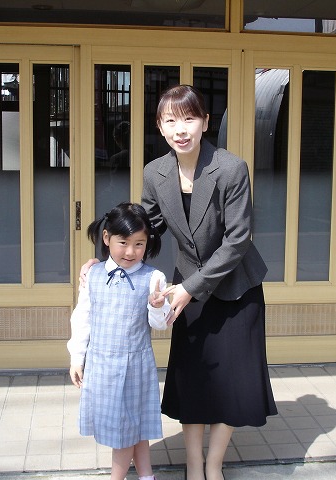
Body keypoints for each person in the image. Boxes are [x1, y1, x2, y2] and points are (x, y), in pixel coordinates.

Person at [82, 85, 277, 480]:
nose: (181, 129)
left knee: (231, 381)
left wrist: (189, 288)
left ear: (205, 122)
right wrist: (105, 259)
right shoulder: (155, 173)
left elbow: (238, 239)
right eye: (170, 120)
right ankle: (193, 466)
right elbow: (145, 229)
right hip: (187, 288)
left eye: (189, 118)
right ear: (160, 126)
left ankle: (214, 466)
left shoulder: (231, 168)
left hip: (236, 288)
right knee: (193, 379)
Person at [68, 202, 174, 480]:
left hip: (134, 367)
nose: (130, 252)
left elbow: (160, 324)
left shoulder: (153, 277)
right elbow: (82, 317)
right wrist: (77, 358)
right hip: (101, 366)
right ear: (107, 238)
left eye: (139, 244)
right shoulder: (92, 274)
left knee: (125, 431)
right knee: (131, 427)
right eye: (123, 242)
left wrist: (157, 305)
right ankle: (146, 476)